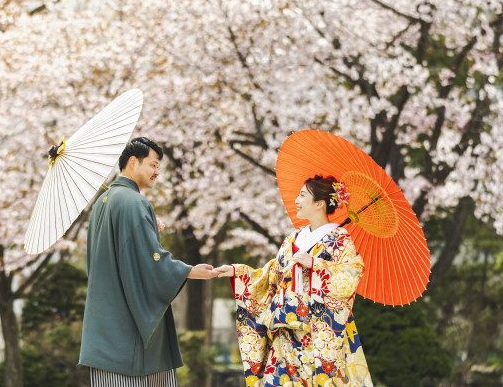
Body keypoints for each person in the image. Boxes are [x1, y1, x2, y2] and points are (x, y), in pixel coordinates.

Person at [79, 137, 220, 386]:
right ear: (133, 162)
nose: (157, 172)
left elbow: (121, 252)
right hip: (129, 335)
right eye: (153, 165)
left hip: (103, 331)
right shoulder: (134, 202)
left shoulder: (102, 203)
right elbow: (150, 261)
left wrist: (148, 226)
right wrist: (189, 271)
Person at [216, 175, 373, 387]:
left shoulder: (340, 240)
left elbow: (351, 273)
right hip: (285, 332)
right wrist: (239, 272)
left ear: (319, 204)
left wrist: (316, 265)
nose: (296, 200)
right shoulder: (293, 238)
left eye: (302, 195)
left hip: (318, 336)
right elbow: (273, 276)